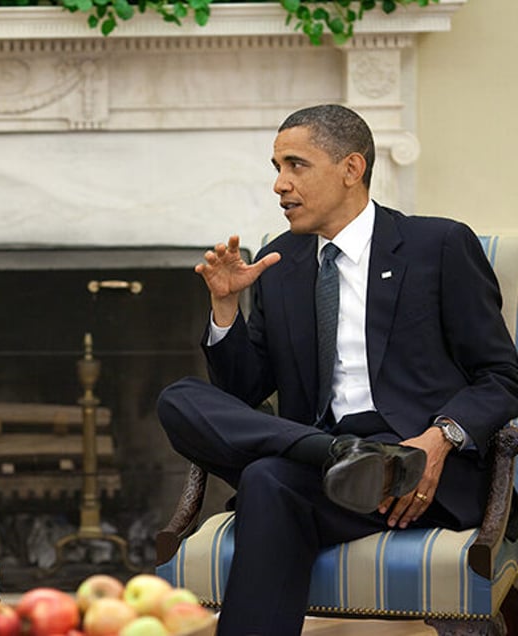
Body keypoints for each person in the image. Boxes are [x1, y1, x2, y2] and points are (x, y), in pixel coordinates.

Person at [157, 104, 518, 635]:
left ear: (352, 169)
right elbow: (241, 393)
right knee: (179, 398)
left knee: (264, 478)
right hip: (324, 458)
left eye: (296, 165)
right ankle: (341, 453)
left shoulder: (436, 245)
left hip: (414, 466)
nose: (279, 184)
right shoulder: (280, 263)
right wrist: (226, 310)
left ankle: (358, 457)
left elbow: (502, 376)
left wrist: (439, 440)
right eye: (276, 167)